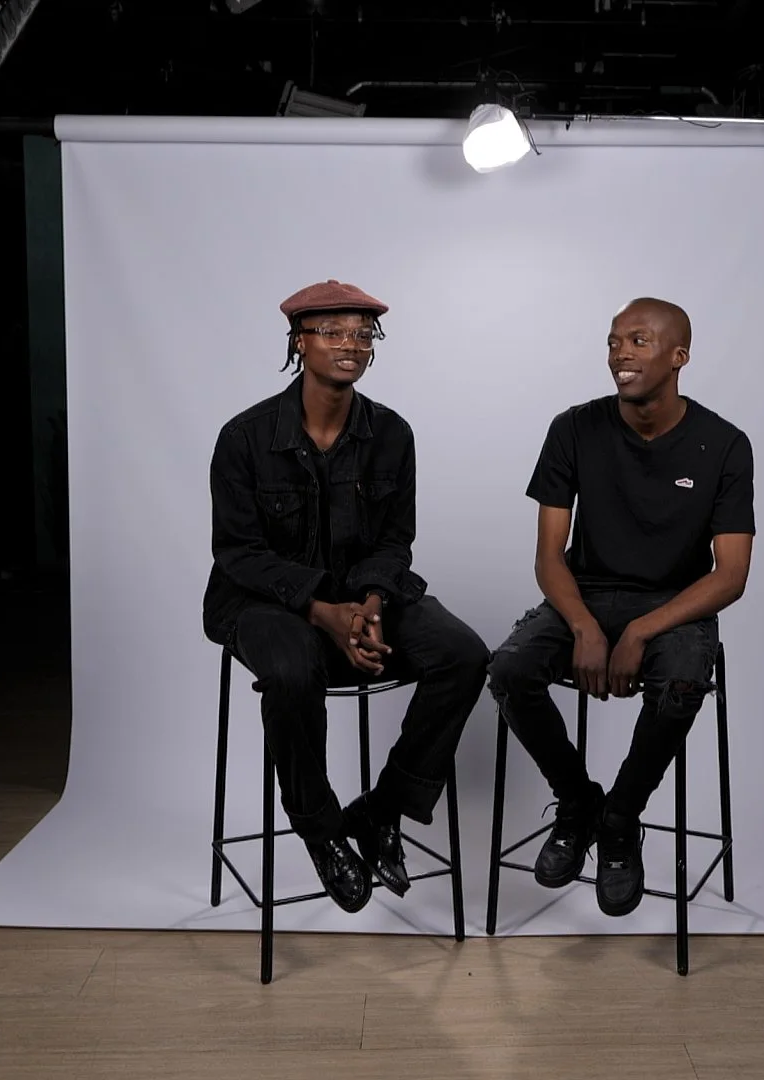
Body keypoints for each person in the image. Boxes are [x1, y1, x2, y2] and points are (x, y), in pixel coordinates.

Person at [202, 279, 489, 914]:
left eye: (363, 335)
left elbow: (395, 542)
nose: (350, 345)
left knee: (464, 653)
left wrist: (370, 605)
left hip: (365, 597)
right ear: (299, 343)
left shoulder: (392, 433)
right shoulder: (244, 438)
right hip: (262, 600)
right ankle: (322, 830)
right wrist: (320, 610)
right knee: (290, 666)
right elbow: (239, 553)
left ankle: (382, 811)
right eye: (333, 333)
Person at [487, 297, 755, 917]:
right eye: (613, 342)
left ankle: (619, 818)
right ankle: (577, 801)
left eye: (637, 341)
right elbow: (549, 555)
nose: (619, 355)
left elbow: (731, 575)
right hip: (584, 593)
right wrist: (582, 624)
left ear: (678, 356)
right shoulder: (574, 427)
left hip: (674, 604)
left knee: (683, 681)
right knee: (508, 670)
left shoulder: (724, 445)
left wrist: (641, 629)